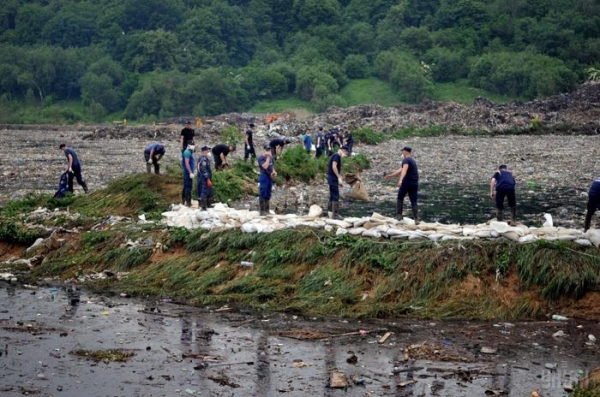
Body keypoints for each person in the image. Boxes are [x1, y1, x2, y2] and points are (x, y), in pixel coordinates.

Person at [384, 146, 419, 223]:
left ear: (406, 152)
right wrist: (391, 175)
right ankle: (416, 219)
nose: (402, 153)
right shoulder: (412, 160)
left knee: (400, 197)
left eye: (403, 151)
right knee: (413, 200)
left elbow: (404, 170)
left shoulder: (406, 160)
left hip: (407, 182)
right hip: (414, 183)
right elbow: (401, 169)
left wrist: (400, 180)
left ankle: (399, 216)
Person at [327, 145, 349, 219]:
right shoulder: (337, 156)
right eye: (345, 153)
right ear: (344, 151)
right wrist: (338, 176)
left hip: (331, 178)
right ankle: (335, 214)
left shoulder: (335, 155)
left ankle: (329, 212)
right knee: (336, 195)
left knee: (332, 195)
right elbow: (334, 166)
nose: (345, 155)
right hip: (333, 178)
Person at [257, 143, 277, 216]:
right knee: (263, 192)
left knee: (268, 192)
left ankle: (267, 209)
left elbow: (272, 166)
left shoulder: (271, 158)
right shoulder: (261, 158)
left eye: (269, 150)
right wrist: (268, 158)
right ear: (264, 150)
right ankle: (262, 211)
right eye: (267, 150)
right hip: (264, 176)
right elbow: (265, 166)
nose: (269, 151)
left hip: (270, 177)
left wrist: (274, 171)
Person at [196, 146, 213, 211]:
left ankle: (208, 204)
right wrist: (207, 178)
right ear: (204, 151)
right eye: (207, 151)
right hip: (204, 178)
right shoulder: (203, 160)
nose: (209, 152)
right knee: (204, 191)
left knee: (209, 191)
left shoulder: (206, 159)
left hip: (207, 177)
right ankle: (203, 206)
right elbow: (203, 170)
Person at [181, 142, 195, 206]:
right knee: (188, 186)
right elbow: (187, 163)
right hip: (187, 172)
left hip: (188, 172)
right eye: (192, 145)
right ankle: (188, 202)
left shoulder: (189, 152)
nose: (193, 146)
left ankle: (184, 200)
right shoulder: (187, 152)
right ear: (188, 145)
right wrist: (190, 172)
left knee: (186, 186)